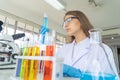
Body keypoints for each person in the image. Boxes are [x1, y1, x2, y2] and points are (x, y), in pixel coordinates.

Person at [56, 10, 119, 79]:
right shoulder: (62, 49)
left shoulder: (101, 49)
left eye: (69, 20)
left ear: (81, 21)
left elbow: (112, 78)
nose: (66, 25)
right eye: (64, 22)